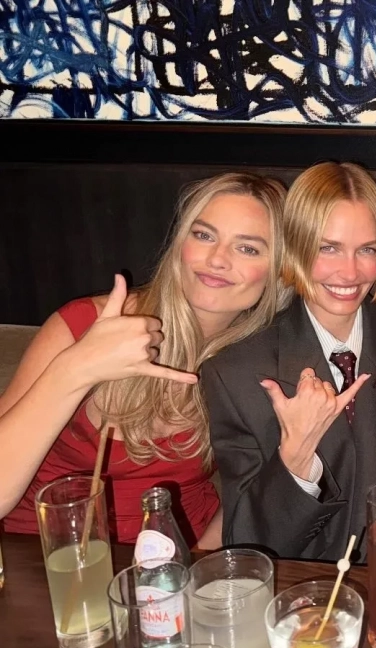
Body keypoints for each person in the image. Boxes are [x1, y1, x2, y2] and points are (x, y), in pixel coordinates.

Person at [0, 172, 289, 546]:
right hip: (49, 555)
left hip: (180, 556)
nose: (217, 259)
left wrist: (198, 566)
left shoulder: (265, 364)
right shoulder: (85, 324)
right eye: (204, 235)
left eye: (247, 248)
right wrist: (77, 368)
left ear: (280, 270)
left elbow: (248, 494)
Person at [201, 162, 376, 561]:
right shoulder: (235, 373)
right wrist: (295, 457)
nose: (349, 271)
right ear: (295, 248)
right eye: (328, 248)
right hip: (310, 586)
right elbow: (249, 544)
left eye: (367, 249)